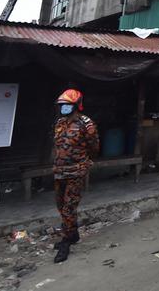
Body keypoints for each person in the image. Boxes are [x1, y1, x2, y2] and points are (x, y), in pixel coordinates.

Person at [52, 88, 100, 263]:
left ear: (76, 105)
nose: (64, 108)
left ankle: (66, 242)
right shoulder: (60, 123)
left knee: (69, 207)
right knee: (60, 204)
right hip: (59, 172)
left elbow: (94, 147)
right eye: (62, 105)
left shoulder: (86, 124)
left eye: (67, 105)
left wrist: (85, 163)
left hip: (76, 171)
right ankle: (73, 234)